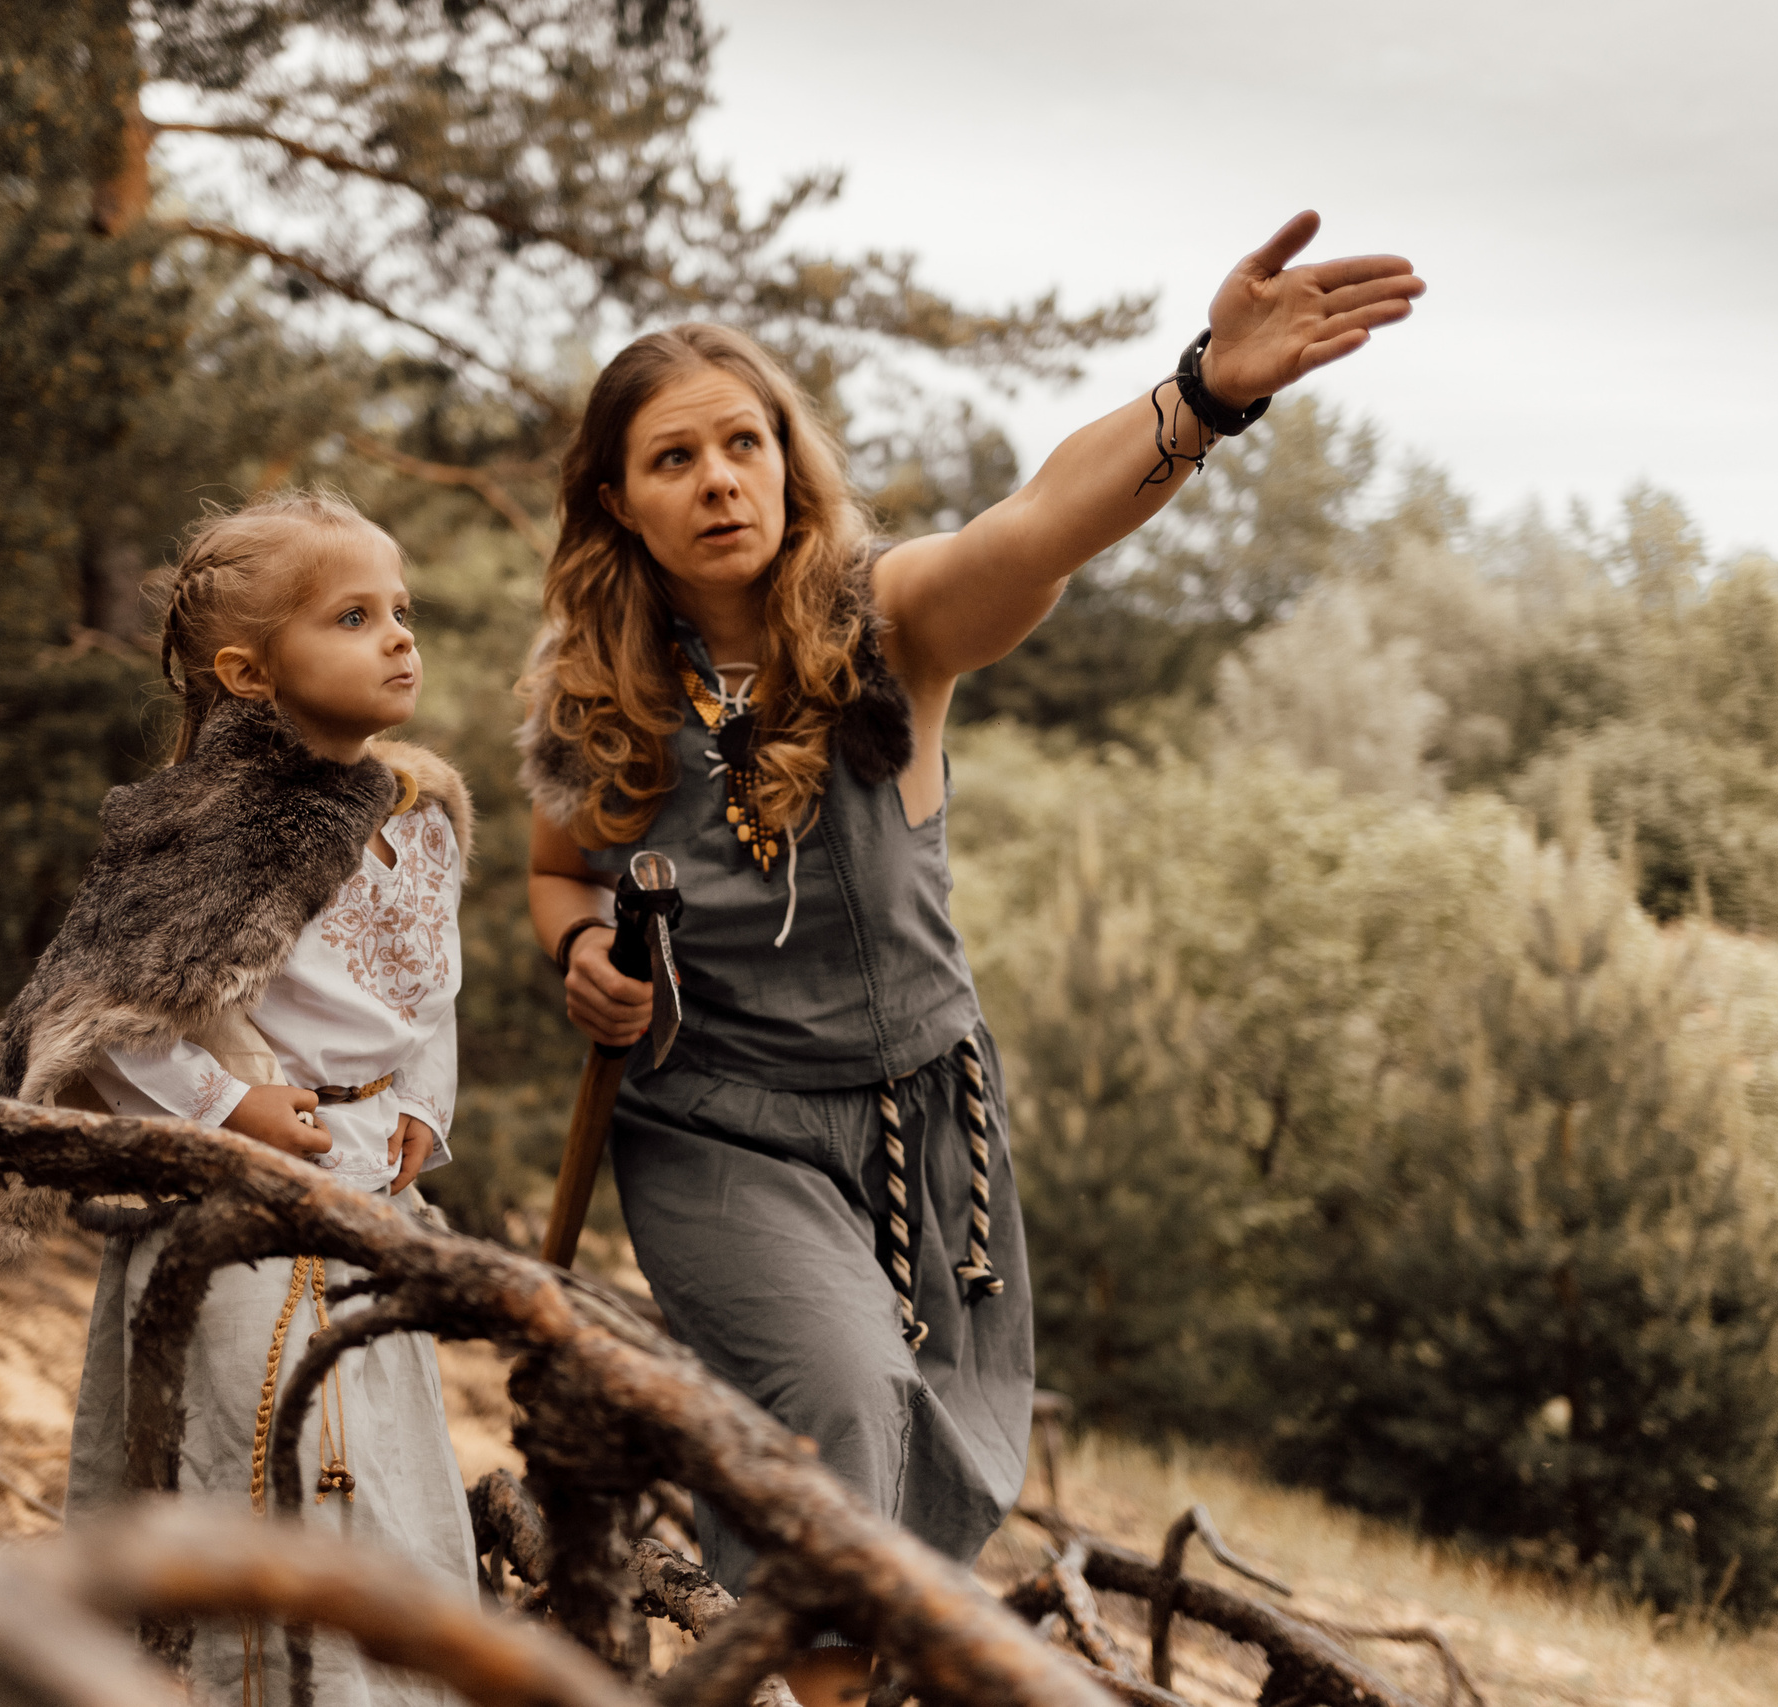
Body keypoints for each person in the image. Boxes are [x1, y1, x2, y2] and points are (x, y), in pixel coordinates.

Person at [520, 212, 1421, 1706]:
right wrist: (580, 958)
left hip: (922, 1131)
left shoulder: (892, 623)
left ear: (787, 461)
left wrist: (1204, 395)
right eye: (672, 459)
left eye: (741, 442)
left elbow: (1041, 520)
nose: (718, 479)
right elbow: (561, 876)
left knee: (923, 1474)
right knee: (839, 1396)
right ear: (614, 500)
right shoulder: (592, 688)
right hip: (712, 1126)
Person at [0, 490, 479, 1707]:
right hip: (237, 1210)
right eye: (353, 617)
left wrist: (423, 1106)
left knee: (374, 1464)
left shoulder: (424, 823)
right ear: (250, 673)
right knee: (258, 1453)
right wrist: (224, 1108)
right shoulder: (208, 829)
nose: (399, 636)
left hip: (369, 1190)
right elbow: (98, 1015)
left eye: (400, 609)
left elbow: (432, 999)